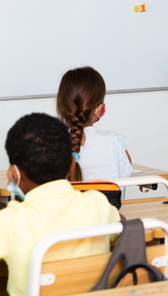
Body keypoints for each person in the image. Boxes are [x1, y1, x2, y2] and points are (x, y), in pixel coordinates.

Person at [0, 113, 121, 296]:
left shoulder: (11, 221)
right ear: (72, 165)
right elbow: (116, 230)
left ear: (14, 174)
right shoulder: (98, 204)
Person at [56, 66, 132, 181]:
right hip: (107, 200)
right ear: (99, 109)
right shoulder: (116, 143)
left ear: (61, 106)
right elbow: (126, 179)